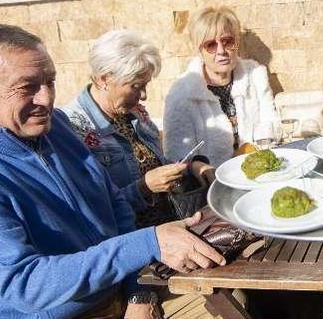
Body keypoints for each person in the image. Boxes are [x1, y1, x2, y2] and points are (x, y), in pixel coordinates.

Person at [0, 24, 225, 319]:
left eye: (49, 82)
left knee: (246, 292)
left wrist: (138, 293)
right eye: (27, 87)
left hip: (126, 294)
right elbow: (28, 284)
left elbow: (116, 209)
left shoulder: (55, 127)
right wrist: (149, 243)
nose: (46, 99)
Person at [62, 30, 213, 229]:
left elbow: (155, 163)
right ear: (103, 79)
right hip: (132, 242)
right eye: (135, 86)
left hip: (170, 225)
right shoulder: (73, 129)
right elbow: (91, 211)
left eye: (145, 85)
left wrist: (193, 167)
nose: (143, 96)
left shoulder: (133, 112)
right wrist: (143, 188)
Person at [164, 6, 279, 165]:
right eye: (211, 45)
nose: (221, 51)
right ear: (200, 50)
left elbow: (272, 126)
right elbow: (178, 158)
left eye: (227, 41)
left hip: (260, 169)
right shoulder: (182, 94)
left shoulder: (255, 76)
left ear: (236, 43)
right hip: (211, 182)